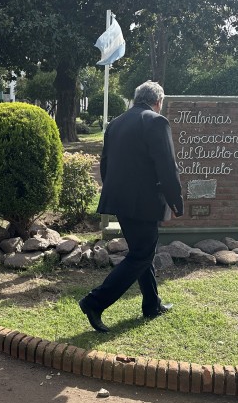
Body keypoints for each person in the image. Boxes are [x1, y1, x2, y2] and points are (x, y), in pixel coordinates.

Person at [78, 81, 184, 333]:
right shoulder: (157, 121)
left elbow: (105, 165)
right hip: (144, 202)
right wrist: (176, 201)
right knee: (141, 255)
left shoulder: (115, 124)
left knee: (141, 252)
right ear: (158, 102)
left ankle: (152, 304)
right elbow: (168, 167)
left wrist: (116, 193)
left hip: (119, 200)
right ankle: (94, 302)